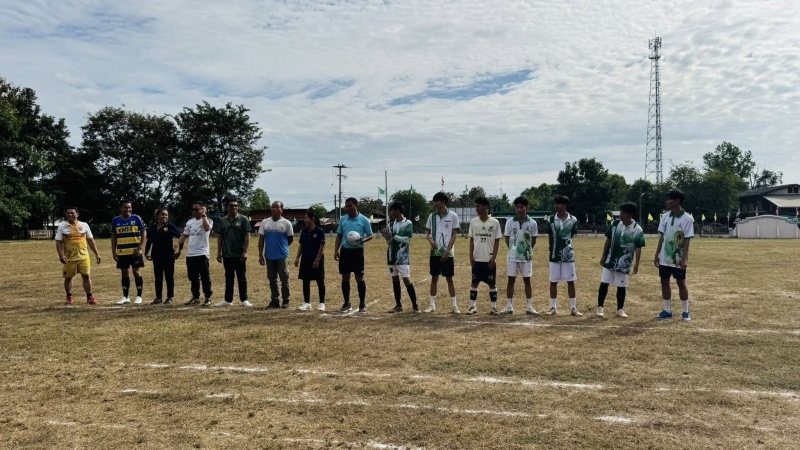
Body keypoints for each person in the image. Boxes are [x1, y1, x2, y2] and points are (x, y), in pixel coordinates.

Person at [597, 202, 645, 318]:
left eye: (623, 213)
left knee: (622, 286)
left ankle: (620, 309)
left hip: (624, 263)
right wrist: (603, 255)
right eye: (620, 213)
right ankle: (600, 307)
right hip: (610, 260)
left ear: (630, 214)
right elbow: (608, 240)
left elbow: (638, 248)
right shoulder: (615, 224)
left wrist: (636, 264)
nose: (620, 215)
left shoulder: (637, 229)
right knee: (604, 283)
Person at [654, 189, 694, 321]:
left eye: (669, 199)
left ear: (677, 201)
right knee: (664, 282)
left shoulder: (687, 218)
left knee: (681, 283)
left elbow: (687, 240)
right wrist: (657, 254)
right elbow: (662, 237)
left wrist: (684, 259)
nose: (666, 202)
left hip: (678, 258)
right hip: (664, 258)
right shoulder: (665, 216)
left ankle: (685, 312)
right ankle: (667, 310)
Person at [333, 197, 374, 313]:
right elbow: (339, 236)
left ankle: (362, 304)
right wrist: (336, 250)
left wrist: (362, 240)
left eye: (350, 206)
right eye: (346, 206)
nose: (347, 208)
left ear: (356, 206)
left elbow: (370, 235)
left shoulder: (364, 220)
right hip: (345, 251)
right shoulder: (343, 220)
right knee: (345, 277)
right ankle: (347, 303)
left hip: (357, 251)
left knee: (359, 277)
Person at [55, 206, 101, 305]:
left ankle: (90, 297)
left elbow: (90, 240)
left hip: (84, 256)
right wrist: (61, 255)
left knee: (86, 276)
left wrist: (97, 254)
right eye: (68, 213)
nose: (70, 215)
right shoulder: (62, 226)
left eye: (72, 213)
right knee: (68, 277)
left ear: (77, 214)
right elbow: (58, 242)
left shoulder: (84, 225)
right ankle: (69, 297)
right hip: (69, 258)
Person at [545, 195, 581, 316]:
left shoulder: (573, 219)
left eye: (558, 203)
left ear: (565, 205)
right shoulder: (550, 220)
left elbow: (572, 235)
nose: (555, 206)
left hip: (568, 255)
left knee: (570, 281)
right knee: (553, 281)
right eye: (555, 203)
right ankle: (553, 308)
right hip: (554, 255)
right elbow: (550, 236)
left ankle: (573, 308)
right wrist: (551, 249)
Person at [502, 196, 539, 315]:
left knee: (527, 281)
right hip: (512, 257)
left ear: (526, 208)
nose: (519, 210)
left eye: (521, 207)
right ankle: (509, 307)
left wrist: (525, 251)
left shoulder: (532, 223)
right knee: (510, 281)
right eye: (517, 207)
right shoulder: (510, 222)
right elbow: (507, 239)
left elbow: (533, 241)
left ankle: (529, 307)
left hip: (526, 257)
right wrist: (513, 250)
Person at [214, 199, 253, 307]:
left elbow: (247, 235)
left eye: (236, 205)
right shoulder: (223, 220)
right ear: (227, 207)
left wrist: (245, 251)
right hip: (227, 253)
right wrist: (219, 252)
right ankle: (228, 300)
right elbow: (220, 236)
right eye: (231, 205)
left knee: (241, 277)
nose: (234, 207)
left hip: (239, 253)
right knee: (229, 277)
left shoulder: (243, 219)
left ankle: (244, 299)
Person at [425, 192, 460, 313]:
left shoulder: (453, 216)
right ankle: (432, 305)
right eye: (434, 201)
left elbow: (454, 235)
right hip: (434, 253)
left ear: (443, 202)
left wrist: (448, 251)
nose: (435, 203)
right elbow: (427, 234)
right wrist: (431, 241)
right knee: (434, 278)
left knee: (449, 279)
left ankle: (454, 305)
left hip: (448, 253)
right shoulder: (432, 216)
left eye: (437, 201)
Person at [467, 197, 502, 315]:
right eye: (476, 206)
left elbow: (497, 241)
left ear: (486, 207)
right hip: (477, 258)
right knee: (474, 282)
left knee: (492, 283)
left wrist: (494, 257)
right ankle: (472, 307)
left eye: (479, 206)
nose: (476, 208)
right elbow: (471, 240)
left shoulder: (495, 222)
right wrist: (470, 255)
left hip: (489, 259)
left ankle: (494, 308)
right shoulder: (473, 222)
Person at [383, 202, 419, 314]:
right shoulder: (390, 224)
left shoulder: (408, 223)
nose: (390, 213)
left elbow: (407, 240)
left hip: (402, 257)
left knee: (406, 279)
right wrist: (387, 237)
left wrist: (394, 236)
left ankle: (415, 305)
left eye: (392, 210)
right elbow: (389, 242)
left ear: (398, 211)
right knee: (395, 279)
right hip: (391, 255)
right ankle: (398, 305)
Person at [176, 201, 213, 306]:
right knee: (193, 277)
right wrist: (177, 244)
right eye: (193, 209)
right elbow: (185, 235)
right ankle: (195, 297)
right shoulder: (190, 222)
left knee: (205, 277)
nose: (194, 211)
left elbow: (206, 228)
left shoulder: (208, 220)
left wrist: (204, 215)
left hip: (202, 253)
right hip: (191, 254)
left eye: (196, 209)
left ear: (203, 209)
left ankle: (207, 297)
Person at [258, 201, 294, 309]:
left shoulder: (286, 223)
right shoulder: (265, 222)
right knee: (272, 278)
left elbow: (290, 238)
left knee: (284, 278)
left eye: (277, 207)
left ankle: (286, 299)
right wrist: (260, 254)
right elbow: (261, 239)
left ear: (281, 209)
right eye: (273, 207)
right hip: (269, 255)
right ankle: (275, 300)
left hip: (282, 255)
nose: (274, 209)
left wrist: (283, 247)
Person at [111, 200, 147, 305]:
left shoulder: (136, 218)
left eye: (129, 207)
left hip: (135, 252)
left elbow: (144, 232)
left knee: (136, 272)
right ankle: (126, 296)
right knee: (124, 273)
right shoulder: (115, 220)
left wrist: (140, 247)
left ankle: (139, 296)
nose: (128, 209)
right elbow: (113, 236)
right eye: (125, 207)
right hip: (122, 252)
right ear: (120, 208)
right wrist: (114, 251)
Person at [144, 208, 182, 305]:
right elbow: (149, 241)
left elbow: (181, 237)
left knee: (169, 277)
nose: (165, 216)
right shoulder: (152, 228)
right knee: (158, 277)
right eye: (162, 214)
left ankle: (170, 297)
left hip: (168, 256)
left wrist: (179, 250)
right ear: (157, 216)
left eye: (166, 215)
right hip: (156, 256)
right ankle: (158, 297)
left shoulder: (170, 226)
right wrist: (146, 253)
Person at [294, 209, 326, 311]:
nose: (305, 220)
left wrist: (317, 260)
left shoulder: (319, 231)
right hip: (306, 258)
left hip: (316, 258)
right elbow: (301, 245)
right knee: (305, 280)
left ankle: (322, 303)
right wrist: (297, 258)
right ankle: (307, 302)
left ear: (312, 219)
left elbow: (322, 247)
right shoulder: (304, 231)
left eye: (306, 218)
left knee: (319, 280)